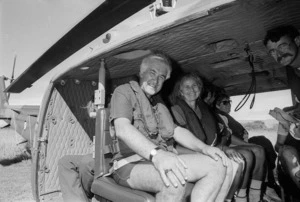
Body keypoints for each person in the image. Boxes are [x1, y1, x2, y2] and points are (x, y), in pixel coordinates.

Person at [59, 52, 233, 202]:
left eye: (162, 77)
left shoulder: (160, 105)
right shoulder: (124, 92)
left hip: (159, 159)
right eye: (152, 72)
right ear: (142, 72)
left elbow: (177, 131)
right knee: (174, 179)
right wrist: (157, 155)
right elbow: (122, 128)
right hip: (129, 165)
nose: (156, 80)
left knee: (220, 165)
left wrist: (205, 149)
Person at [170, 73, 266, 202]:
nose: (191, 89)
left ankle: (247, 199)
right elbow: (175, 144)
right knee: (235, 163)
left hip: (208, 150)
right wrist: (209, 153)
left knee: (239, 160)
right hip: (188, 154)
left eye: (195, 85)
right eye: (186, 87)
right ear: (180, 91)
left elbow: (212, 141)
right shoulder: (176, 110)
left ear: (200, 88)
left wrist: (226, 149)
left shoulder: (203, 110)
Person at [214, 93, 281, 202]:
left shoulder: (225, 117)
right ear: (217, 105)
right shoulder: (218, 116)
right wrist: (248, 144)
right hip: (233, 144)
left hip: (242, 141)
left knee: (262, 141)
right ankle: (268, 185)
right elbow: (228, 137)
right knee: (260, 144)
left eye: (229, 102)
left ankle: (268, 182)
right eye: (225, 102)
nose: (228, 105)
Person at [264, 25, 300, 191]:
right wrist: (288, 117)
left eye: (282, 46)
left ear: (297, 41)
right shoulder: (292, 72)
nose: (277, 54)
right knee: (284, 151)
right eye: (272, 52)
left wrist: (291, 121)